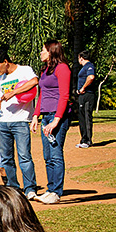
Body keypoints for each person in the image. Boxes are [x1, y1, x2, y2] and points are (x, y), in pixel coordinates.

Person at [0, 49, 39, 199]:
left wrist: (14, 92)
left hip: (21, 121)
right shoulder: (0, 80)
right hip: (2, 122)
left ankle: (30, 188)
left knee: (24, 156)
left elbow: (34, 82)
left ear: (6, 62)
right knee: (6, 158)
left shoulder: (24, 70)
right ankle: (13, 188)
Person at [31, 40, 71, 205]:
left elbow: (64, 95)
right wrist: (36, 115)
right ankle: (50, 189)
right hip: (46, 116)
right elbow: (42, 95)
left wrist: (56, 120)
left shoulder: (62, 68)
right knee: (47, 156)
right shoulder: (46, 70)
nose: (41, 53)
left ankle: (56, 192)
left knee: (55, 155)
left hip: (57, 117)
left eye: (43, 50)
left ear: (51, 51)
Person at [76, 50, 95, 148]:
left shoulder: (89, 66)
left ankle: (88, 141)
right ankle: (83, 139)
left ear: (81, 58)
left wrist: (83, 88)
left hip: (87, 95)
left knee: (87, 117)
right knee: (82, 117)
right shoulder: (83, 68)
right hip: (82, 96)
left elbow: (91, 77)